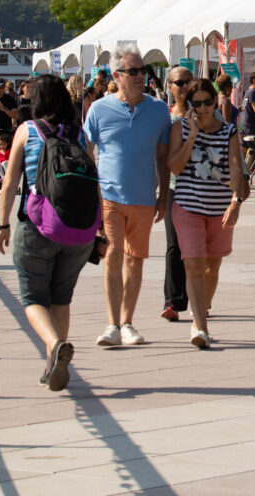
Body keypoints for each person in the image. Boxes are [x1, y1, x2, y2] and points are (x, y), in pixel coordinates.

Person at [0, 75, 99, 393]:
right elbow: (93, 177)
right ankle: (52, 363)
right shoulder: (79, 134)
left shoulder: (27, 130)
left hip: (37, 224)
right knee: (61, 297)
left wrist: (3, 224)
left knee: (32, 298)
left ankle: (55, 345)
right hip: (78, 230)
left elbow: (10, 183)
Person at [82, 43, 171, 348]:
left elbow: (163, 156)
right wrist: (90, 192)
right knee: (113, 255)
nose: (139, 77)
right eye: (132, 71)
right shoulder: (99, 109)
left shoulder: (159, 110)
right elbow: (87, 151)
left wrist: (164, 194)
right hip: (109, 196)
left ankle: (128, 322)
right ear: (116, 75)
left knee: (135, 261)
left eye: (142, 71)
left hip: (144, 197)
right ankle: (111, 324)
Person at [167, 78, 246, 348]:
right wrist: (191, 135)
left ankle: (199, 314)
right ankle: (201, 327)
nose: (202, 108)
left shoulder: (229, 132)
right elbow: (175, 167)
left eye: (207, 102)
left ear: (215, 102)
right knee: (194, 264)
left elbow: (236, 168)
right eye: (195, 103)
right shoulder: (180, 128)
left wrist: (236, 201)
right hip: (188, 205)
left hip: (219, 208)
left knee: (212, 267)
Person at [160, 65, 195, 323]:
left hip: (200, 186)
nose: (183, 87)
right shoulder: (164, 117)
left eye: (187, 82)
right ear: (169, 87)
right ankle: (173, 300)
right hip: (173, 185)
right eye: (178, 83)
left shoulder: (203, 111)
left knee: (197, 247)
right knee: (174, 244)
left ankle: (199, 297)